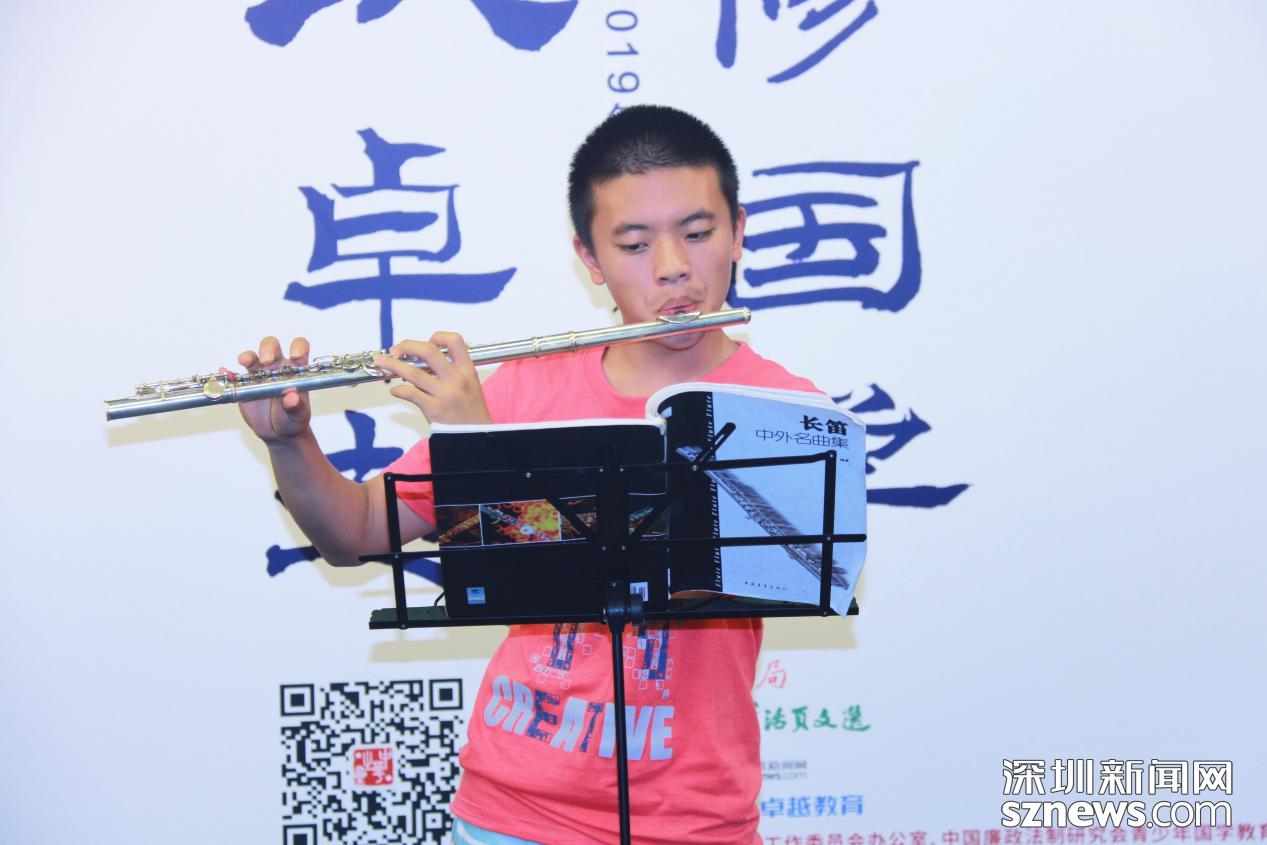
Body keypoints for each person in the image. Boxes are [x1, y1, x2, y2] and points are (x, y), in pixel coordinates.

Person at [235, 105, 821, 845]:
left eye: (698, 233)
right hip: (509, 813)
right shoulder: (523, 387)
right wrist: (290, 442)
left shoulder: (786, 413)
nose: (672, 265)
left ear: (738, 230)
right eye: (634, 243)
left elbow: (770, 574)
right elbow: (354, 533)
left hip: (694, 821)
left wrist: (481, 446)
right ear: (590, 258)